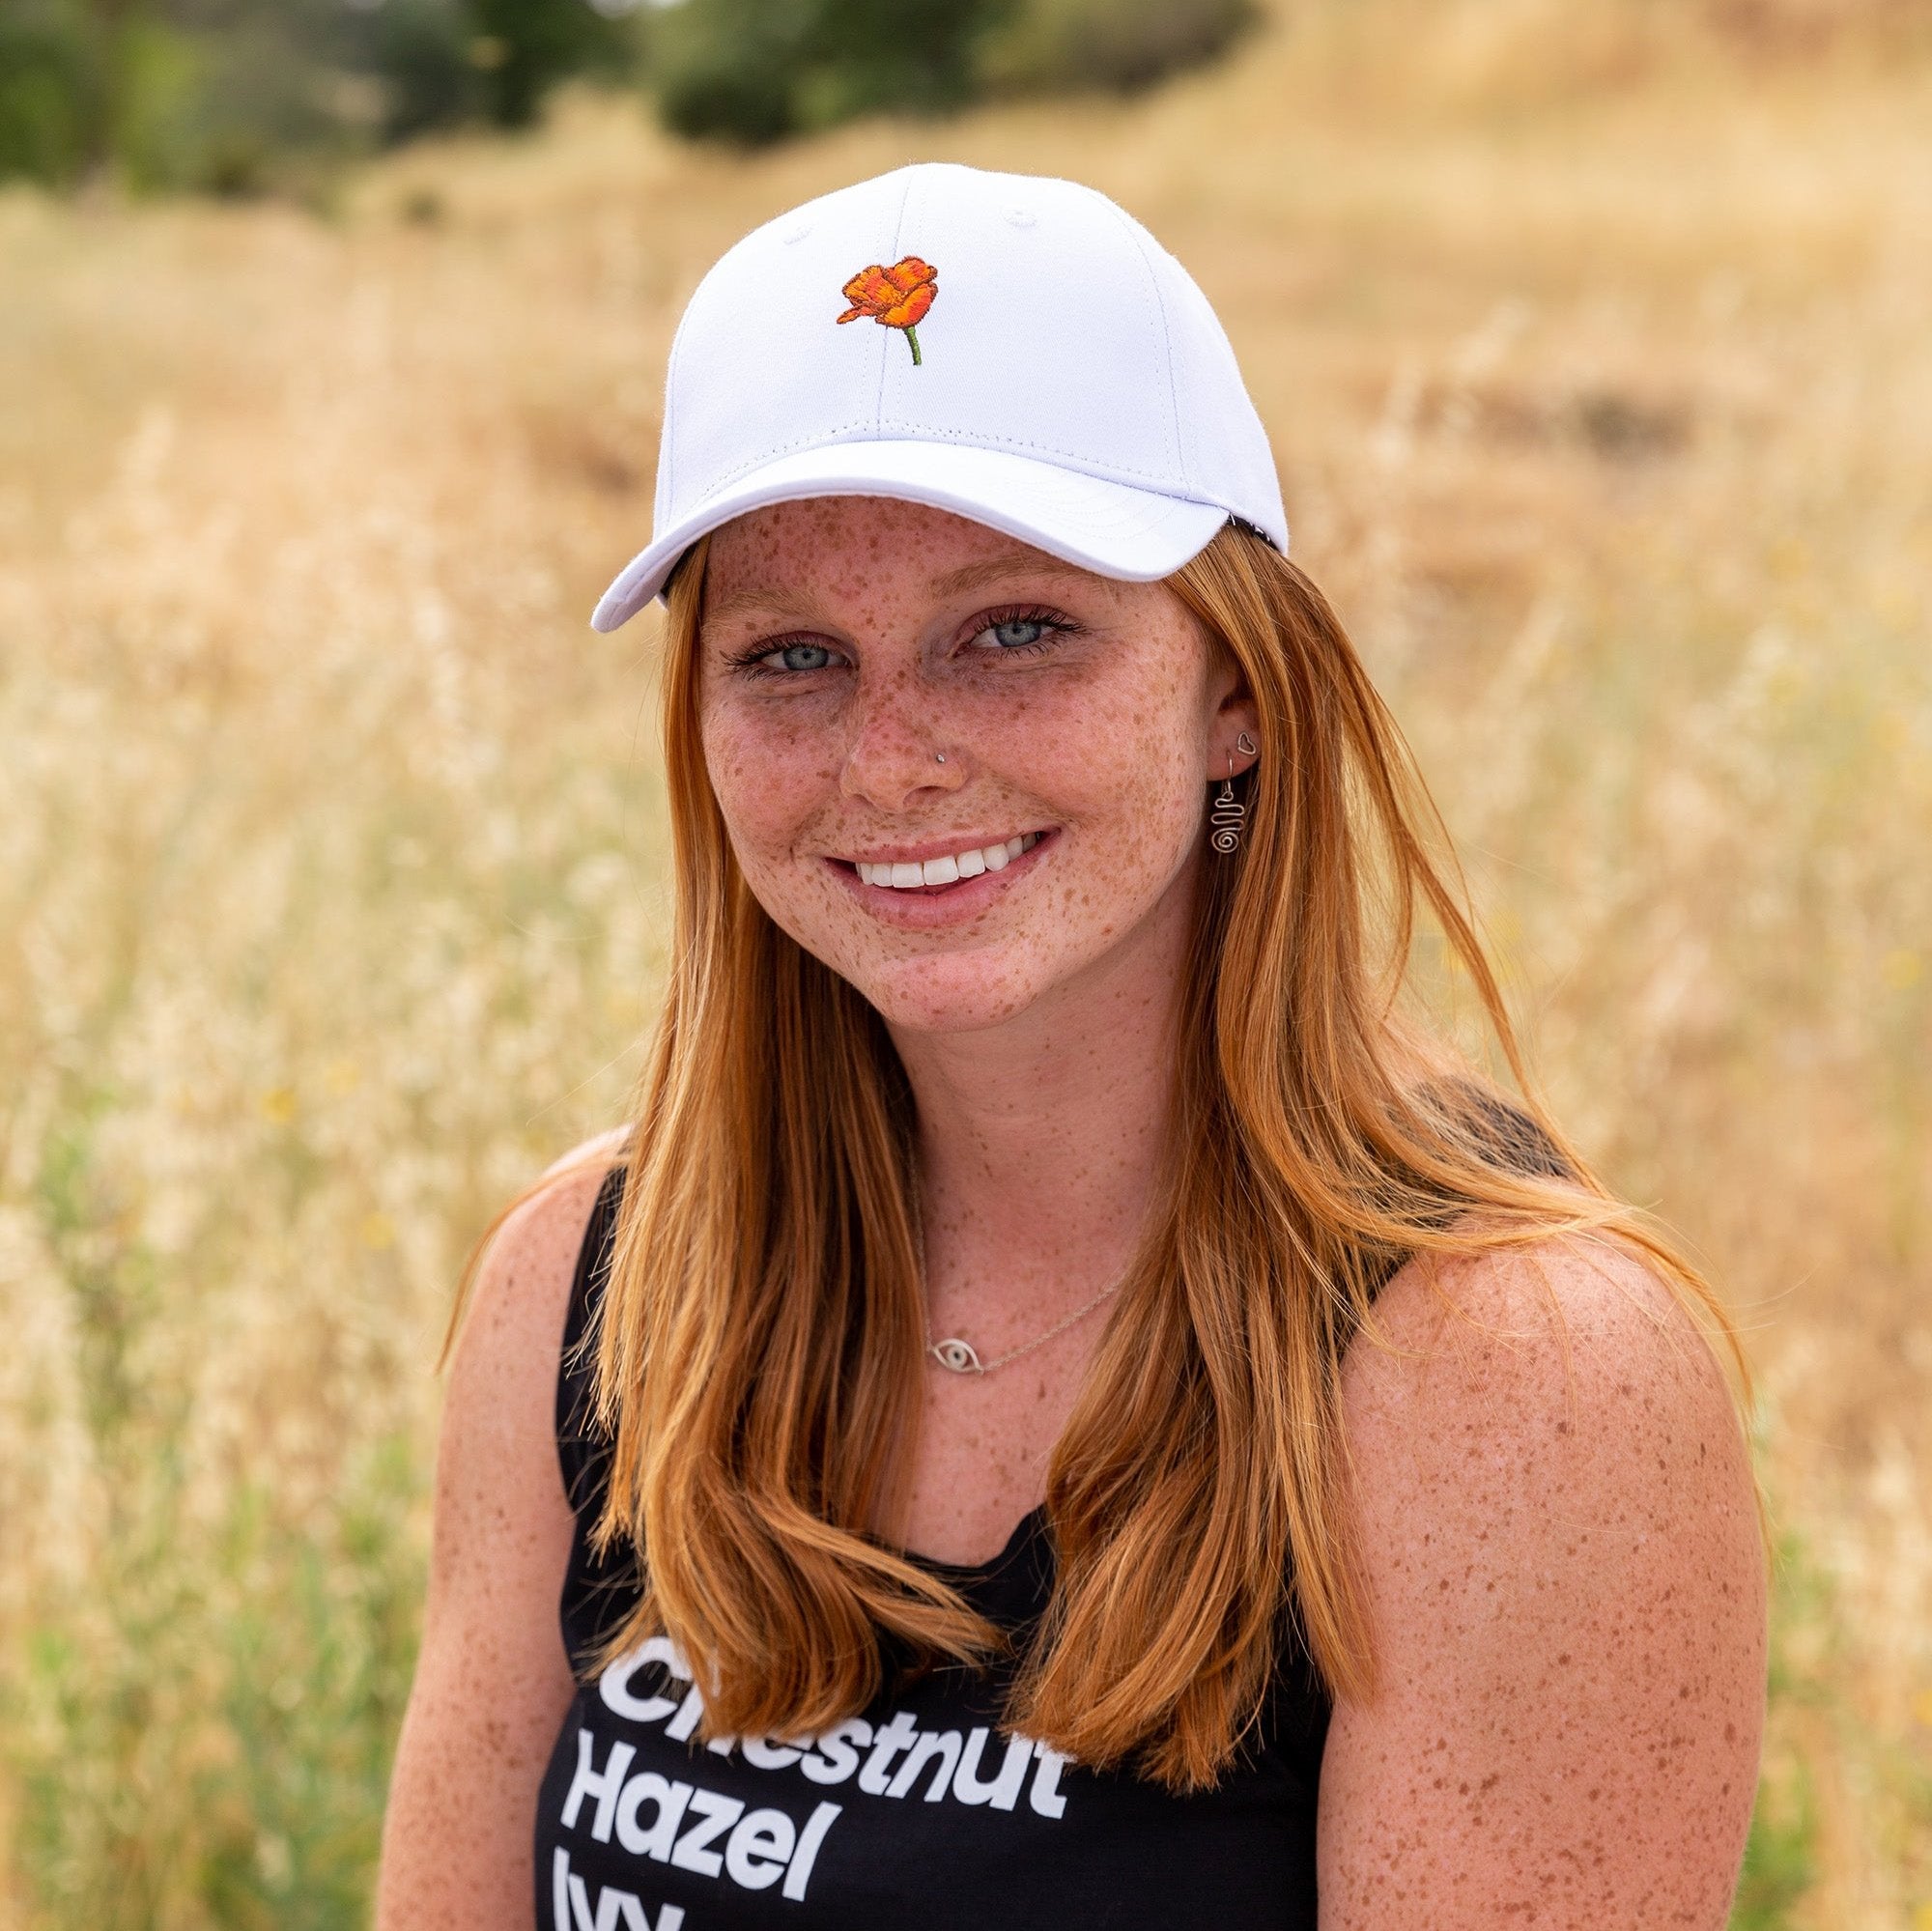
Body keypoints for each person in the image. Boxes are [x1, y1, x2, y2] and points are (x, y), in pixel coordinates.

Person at [375, 163, 1766, 1930]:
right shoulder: (593, 1290)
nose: (892, 761)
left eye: (1015, 630)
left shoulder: (1520, 1377)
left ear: (1237, 692)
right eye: (791, 657)